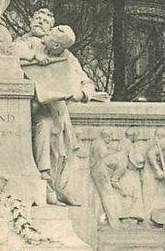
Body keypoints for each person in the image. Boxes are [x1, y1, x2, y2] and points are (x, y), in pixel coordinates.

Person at [21, 24, 110, 205]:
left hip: (50, 110)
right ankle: (51, 184)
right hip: (23, 106)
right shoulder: (32, 43)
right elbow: (11, 50)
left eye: (51, 36)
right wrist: (34, 56)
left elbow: (86, 81)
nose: (45, 35)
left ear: (57, 47)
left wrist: (83, 93)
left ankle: (50, 181)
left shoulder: (68, 59)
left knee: (50, 128)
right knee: (48, 125)